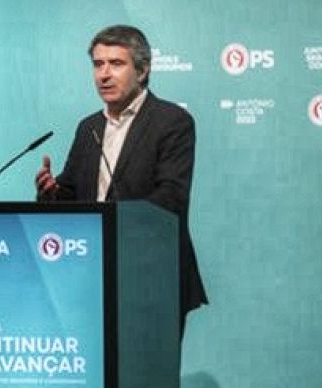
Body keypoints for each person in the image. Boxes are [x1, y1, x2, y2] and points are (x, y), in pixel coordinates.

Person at [35, 25, 207, 335]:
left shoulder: (172, 122)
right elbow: (72, 194)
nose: (104, 74)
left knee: (149, 367)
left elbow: (170, 198)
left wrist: (110, 221)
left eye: (116, 63)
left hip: (153, 276)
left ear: (142, 70)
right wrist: (51, 193)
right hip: (94, 275)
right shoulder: (89, 127)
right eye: (98, 64)